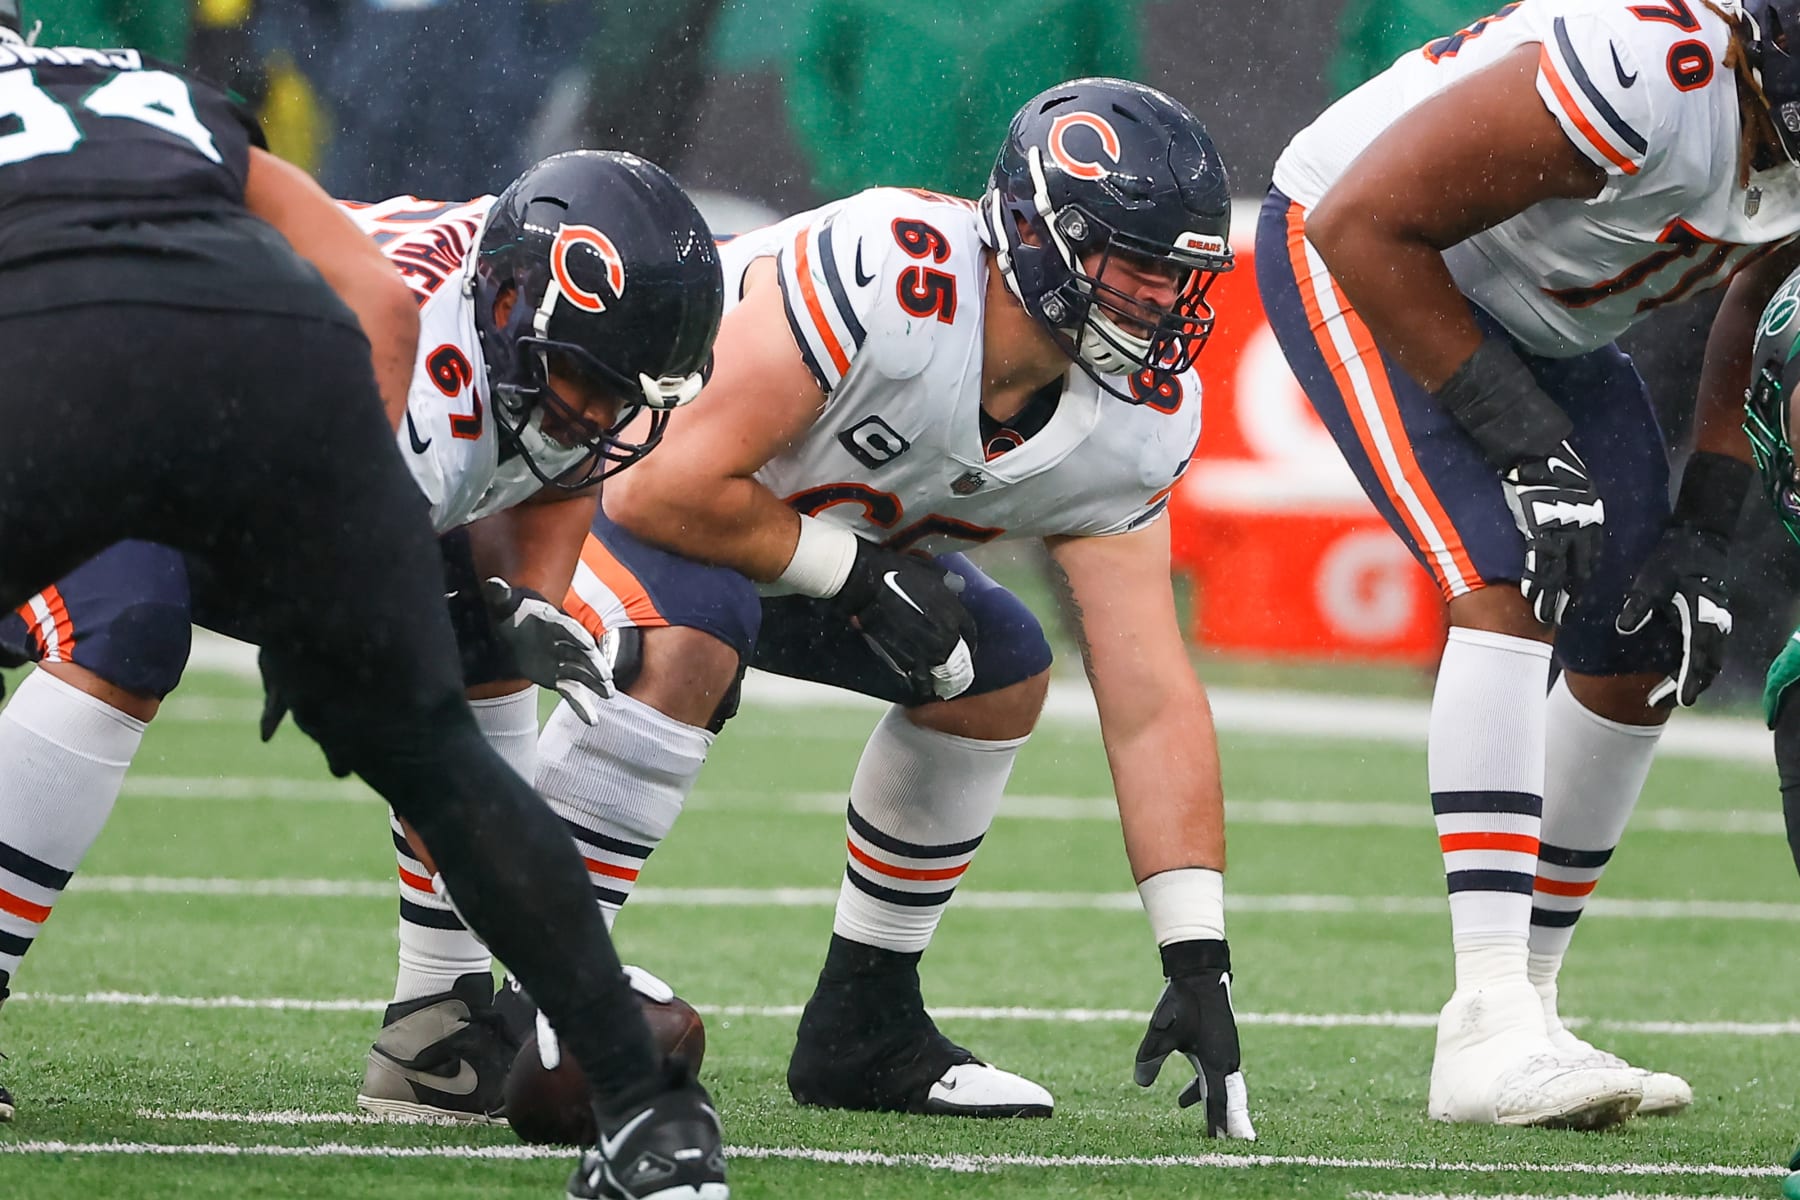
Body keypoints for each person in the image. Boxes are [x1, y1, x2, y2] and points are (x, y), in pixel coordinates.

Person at [0, 7, 730, 1186]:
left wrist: (515, 599)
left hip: (173, 389)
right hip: (243, 397)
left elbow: (527, 449)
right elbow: (381, 309)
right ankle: (644, 1111)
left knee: (462, 646)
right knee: (157, 635)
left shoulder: (135, 110)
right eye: (585, 383)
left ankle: (444, 1016)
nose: (598, 422)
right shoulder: (155, 98)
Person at [461, 76, 1255, 1137]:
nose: (1162, 302)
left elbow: (1149, 686)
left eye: (1178, 276)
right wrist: (853, 571)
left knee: (1000, 667)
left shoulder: (1139, 417)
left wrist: (1197, 952)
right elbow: (661, 483)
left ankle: (863, 1029)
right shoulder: (896, 279)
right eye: (1138, 266)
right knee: (695, 636)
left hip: (766, 535)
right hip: (579, 469)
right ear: (1030, 233)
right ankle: (533, 997)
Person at [1255, 0, 1800, 1129]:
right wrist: (1517, 435)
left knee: (1653, 635)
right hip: (1365, 254)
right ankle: (1487, 1013)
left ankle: (1533, 1011)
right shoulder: (1652, 66)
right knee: (1510, 570)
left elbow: (1758, 288)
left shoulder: (1759, 108)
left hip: (1547, 320)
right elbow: (1359, 222)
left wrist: (1703, 521)